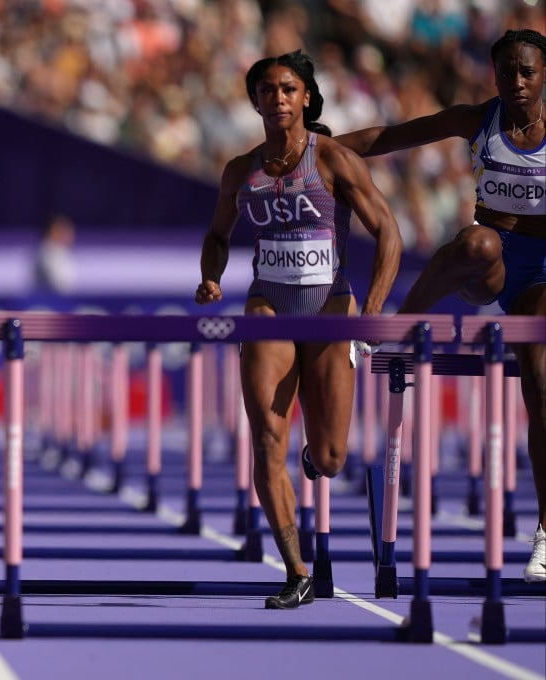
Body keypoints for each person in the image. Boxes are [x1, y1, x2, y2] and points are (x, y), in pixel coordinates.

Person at [335, 28, 546, 584]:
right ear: (493, 76)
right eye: (507, 73)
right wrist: (321, 149)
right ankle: (396, 324)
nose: (516, 83)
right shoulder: (478, 120)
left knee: (542, 380)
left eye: (527, 72)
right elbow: (391, 135)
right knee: (475, 240)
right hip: (494, 263)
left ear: (544, 75)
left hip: (543, 277)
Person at [195, 50, 403, 609]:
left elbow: (388, 233)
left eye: (288, 89)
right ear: (255, 101)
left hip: (332, 307)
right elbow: (217, 236)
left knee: (331, 458)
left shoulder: (332, 159)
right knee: (267, 437)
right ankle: (296, 570)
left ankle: (318, 460)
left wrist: (374, 313)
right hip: (267, 304)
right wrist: (211, 277)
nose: (278, 98)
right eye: (267, 90)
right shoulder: (242, 171)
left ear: (306, 97)